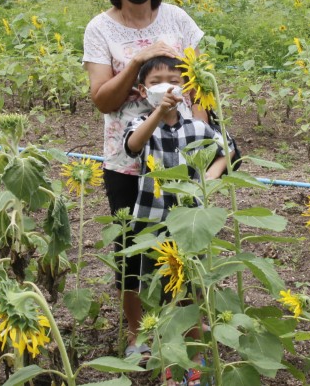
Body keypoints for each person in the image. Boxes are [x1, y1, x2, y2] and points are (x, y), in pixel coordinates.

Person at [82, 0, 204, 363]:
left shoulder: (178, 19)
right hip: (127, 159)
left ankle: (191, 331)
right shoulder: (101, 28)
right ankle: (139, 333)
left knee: (186, 246)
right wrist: (137, 60)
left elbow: (199, 84)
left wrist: (202, 144)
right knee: (132, 250)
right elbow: (102, 98)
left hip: (179, 157)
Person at [124, 56, 227, 386]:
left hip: (190, 224)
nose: (166, 86)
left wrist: (210, 177)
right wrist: (157, 112)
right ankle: (167, 360)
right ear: (143, 90)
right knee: (157, 292)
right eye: (156, 82)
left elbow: (226, 149)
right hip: (151, 222)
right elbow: (133, 145)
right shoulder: (140, 124)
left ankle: (195, 360)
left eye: (174, 80)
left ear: (185, 89)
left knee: (192, 291)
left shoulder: (197, 127)